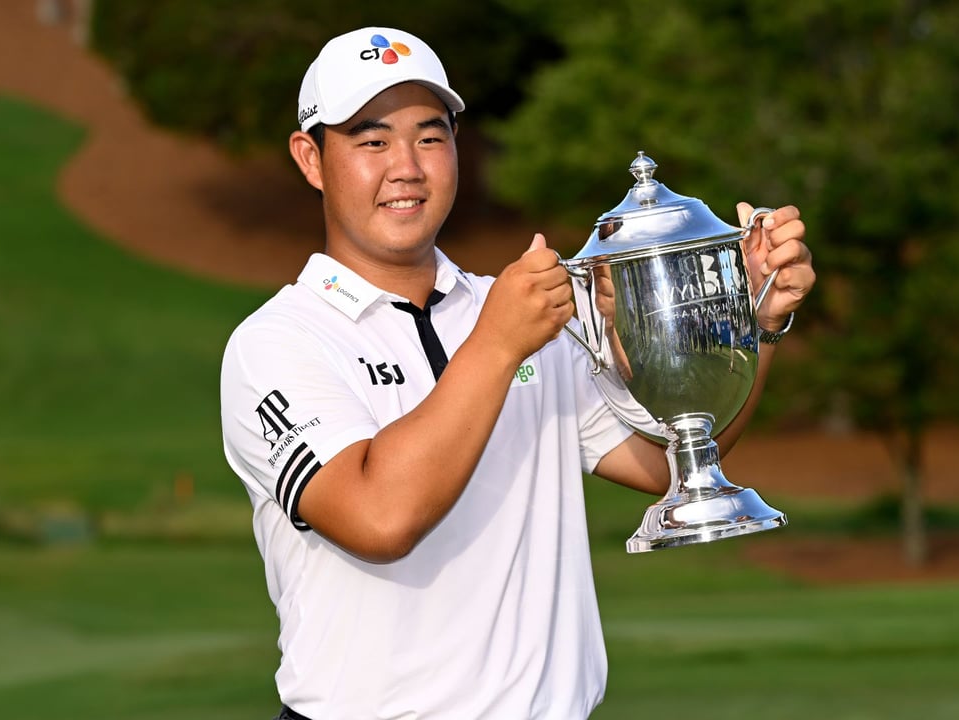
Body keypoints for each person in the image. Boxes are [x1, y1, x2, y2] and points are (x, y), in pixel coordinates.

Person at [219, 26, 815, 720]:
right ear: (311, 158)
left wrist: (751, 323)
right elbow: (377, 518)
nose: (407, 166)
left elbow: (666, 465)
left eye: (430, 136)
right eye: (371, 141)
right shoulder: (277, 343)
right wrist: (498, 346)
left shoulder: (521, 312)